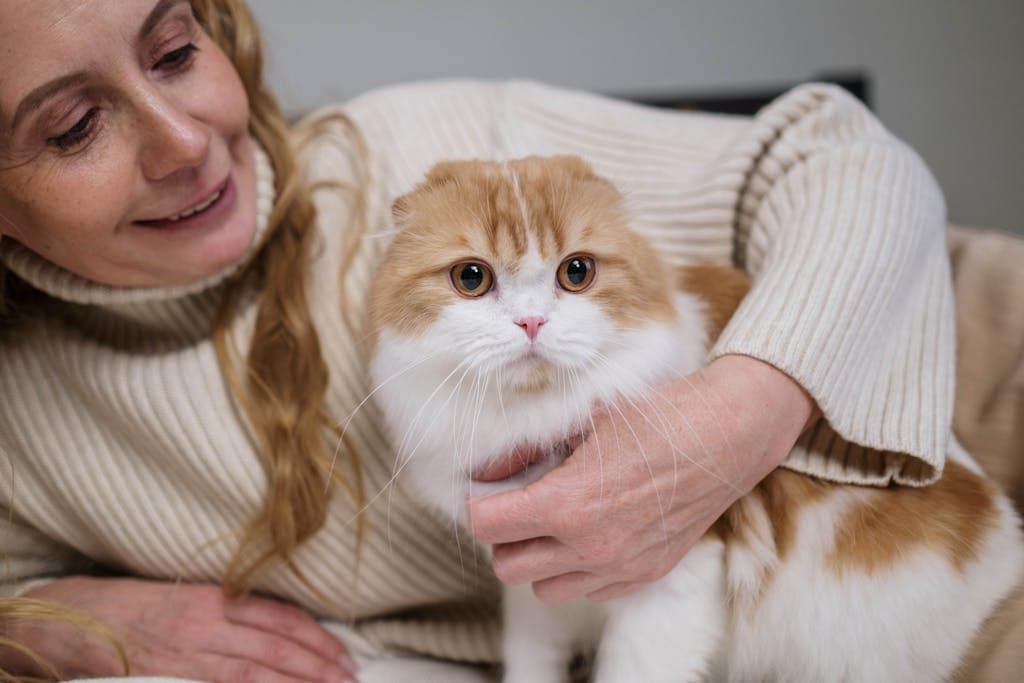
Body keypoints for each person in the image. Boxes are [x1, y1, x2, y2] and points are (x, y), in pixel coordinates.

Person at [0, 0, 955, 681]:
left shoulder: (429, 146)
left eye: (173, 53)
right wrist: (52, 619)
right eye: (76, 126)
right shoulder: (22, 406)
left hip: (901, 385)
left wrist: (731, 423)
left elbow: (849, 158)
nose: (185, 142)